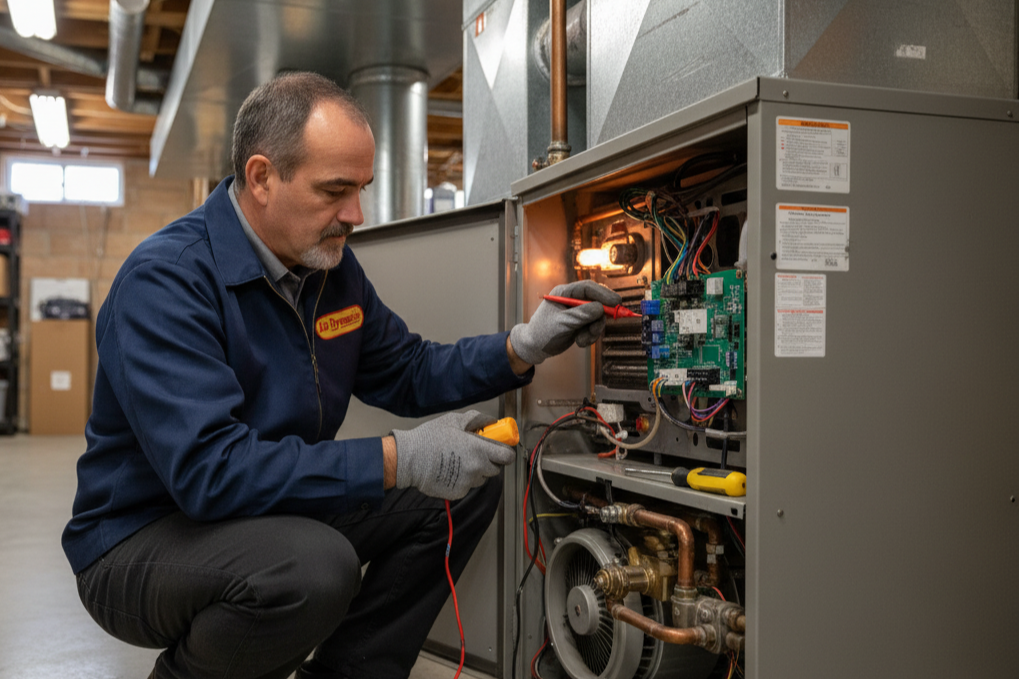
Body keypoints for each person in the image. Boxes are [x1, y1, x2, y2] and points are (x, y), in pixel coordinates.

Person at [61, 71, 621, 679]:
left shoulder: (329, 271)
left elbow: (407, 371)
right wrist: (395, 458)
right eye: (334, 191)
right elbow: (209, 473)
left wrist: (523, 345)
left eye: (361, 189)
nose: (354, 214)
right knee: (311, 568)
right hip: (142, 538)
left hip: (261, 508)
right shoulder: (166, 281)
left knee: (465, 479)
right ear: (261, 177)